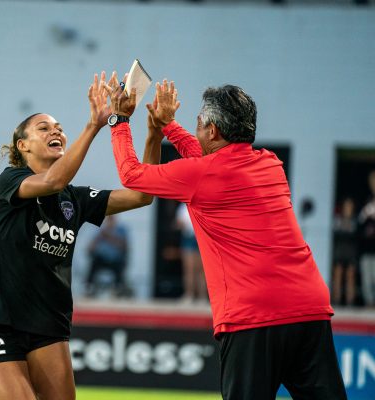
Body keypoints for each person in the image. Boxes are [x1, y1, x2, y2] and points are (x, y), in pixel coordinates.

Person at [107, 79, 346, 399]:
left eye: (199, 124)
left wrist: (119, 120)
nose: (197, 131)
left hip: (253, 316)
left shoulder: (200, 175)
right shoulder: (270, 163)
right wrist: (169, 126)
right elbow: (207, 158)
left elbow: (131, 175)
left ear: (213, 131)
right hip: (309, 307)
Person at [0, 71, 161, 400]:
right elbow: (52, 182)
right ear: (22, 145)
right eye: (44, 128)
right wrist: (93, 125)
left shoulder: (76, 199)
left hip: (48, 326)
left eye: (59, 128)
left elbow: (142, 195)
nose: (56, 130)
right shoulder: (10, 182)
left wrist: (152, 134)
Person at [84, 214, 130, 298]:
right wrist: (99, 237)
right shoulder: (100, 230)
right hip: (101, 258)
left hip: (116, 259)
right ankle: (89, 287)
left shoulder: (121, 230)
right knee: (94, 263)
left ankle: (118, 288)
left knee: (120, 265)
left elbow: (124, 246)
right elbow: (90, 248)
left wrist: (108, 236)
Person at [175, 202, 207, 304]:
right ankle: (189, 294)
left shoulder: (202, 203)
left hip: (201, 236)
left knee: (202, 269)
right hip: (189, 237)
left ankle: (202, 296)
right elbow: (178, 222)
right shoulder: (183, 207)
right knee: (189, 268)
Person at [331, 197, 358, 306]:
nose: (348, 209)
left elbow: (354, 233)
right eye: (346, 206)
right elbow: (337, 232)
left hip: (351, 251)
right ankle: (336, 299)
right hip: (339, 250)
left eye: (350, 207)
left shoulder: (355, 220)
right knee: (338, 274)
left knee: (350, 275)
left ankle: (349, 301)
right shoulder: (338, 219)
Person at [358, 170, 375, 308]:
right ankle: (369, 303)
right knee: (366, 276)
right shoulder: (365, 199)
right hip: (366, 246)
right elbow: (359, 221)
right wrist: (365, 214)